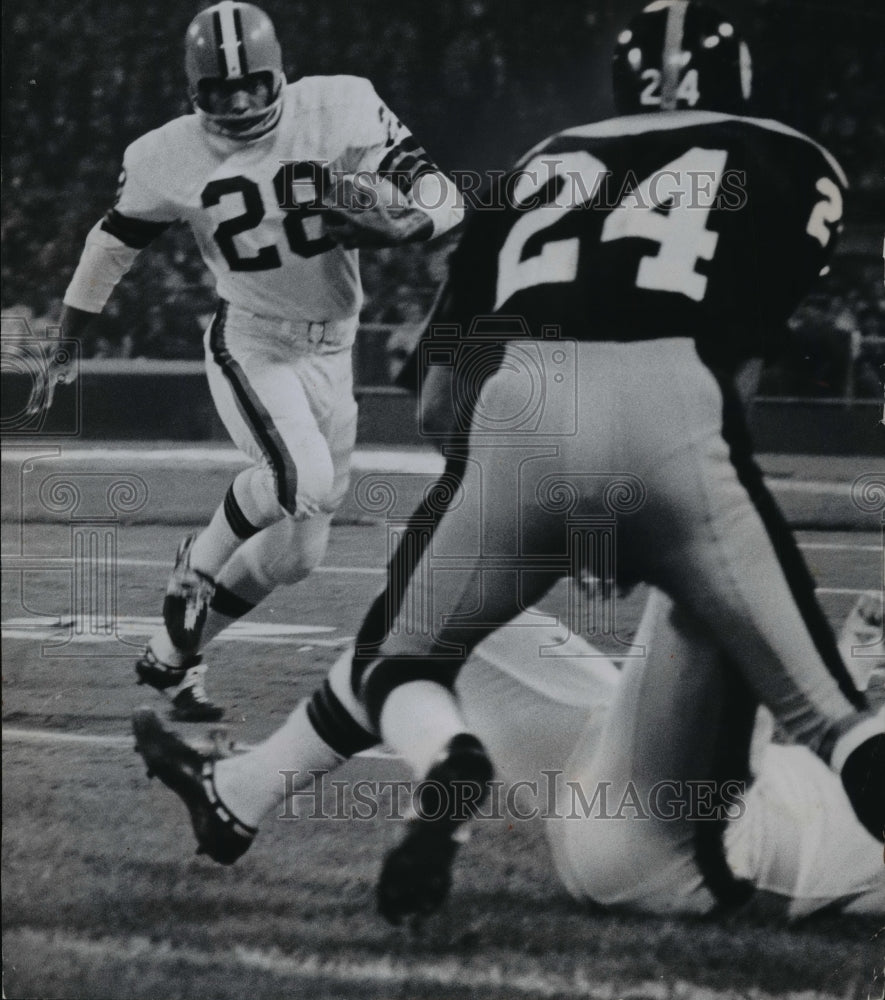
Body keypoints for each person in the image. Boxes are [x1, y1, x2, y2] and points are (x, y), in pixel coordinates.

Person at [132, 0, 885, 924]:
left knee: (411, 642)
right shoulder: (784, 156)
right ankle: (238, 793)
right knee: (796, 689)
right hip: (679, 820)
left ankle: (270, 790)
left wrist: (558, 508)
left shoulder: (542, 161)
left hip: (524, 456)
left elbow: (444, 405)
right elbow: (732, 392)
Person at [37, 0, 464, 721]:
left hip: (335, 347)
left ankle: (172, 658)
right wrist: (69, 335)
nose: (237, 102)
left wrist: (404, 224)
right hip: (254, 339)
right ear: (191, 91)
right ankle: (193, 567)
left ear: (279, 78)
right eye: (218, 90)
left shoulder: (341, 105)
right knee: (297, 476)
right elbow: (109, 245)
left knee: (296, 555)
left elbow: (443, 194)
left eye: (251, 85)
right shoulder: (165, 154)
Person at [132, 588, 885, 920]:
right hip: (625, 770)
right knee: (419, 615)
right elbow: (824, 758)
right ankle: (237, 793)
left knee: (719, 585)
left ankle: (447, 764)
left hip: (687, 841)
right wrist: (853, 656)